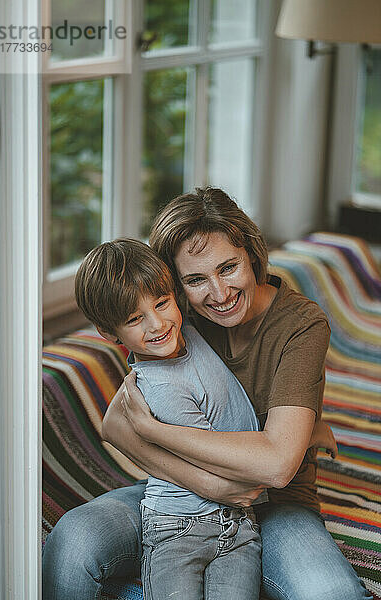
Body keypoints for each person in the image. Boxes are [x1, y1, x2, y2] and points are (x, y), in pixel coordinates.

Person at [42, 187, 369, 600]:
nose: (218, 294)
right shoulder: (176, 320)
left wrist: (156, 432)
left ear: (251, 253)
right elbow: (114, 427)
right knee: (72, 540)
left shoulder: (300, 325)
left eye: (229, 268)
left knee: (333, 594)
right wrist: (207, 484)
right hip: (183, 501)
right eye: (196, 279)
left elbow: (277, 466)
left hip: (278, 506)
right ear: (176, 285)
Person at [74, 237, 265, 600]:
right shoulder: (159, 385)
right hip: (178, 528)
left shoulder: (190, 331)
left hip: (238, 526)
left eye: (162, 303)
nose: (158, 324)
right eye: (135, 319)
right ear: (109, 333)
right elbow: (220, 462)